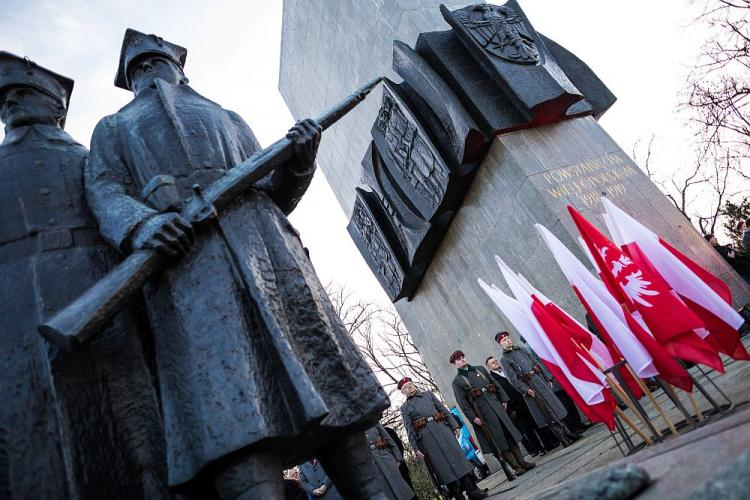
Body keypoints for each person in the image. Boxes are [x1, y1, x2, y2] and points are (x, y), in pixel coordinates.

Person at [85, 29, 389, 498]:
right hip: (185, 269)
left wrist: (299, 164)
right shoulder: (111, 128)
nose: (148, 72)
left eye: (154, 62)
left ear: (180, 67)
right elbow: (106, 189)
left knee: (329, 389)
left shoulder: (226, 117)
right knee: (229, 407)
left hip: (269, 255)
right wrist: (142, 226)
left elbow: (274, 195)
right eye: (137, 68)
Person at [0, 51, 168, 498]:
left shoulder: (98, 159)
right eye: (4, 100)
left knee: (135, 421)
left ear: (56, 105)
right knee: (28, 432)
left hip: (98, 288)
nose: (10, 103)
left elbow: (128, 213)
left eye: (22, 94)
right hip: (11, 307)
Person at [398, 377, 487, 499]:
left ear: (413, 384)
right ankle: (458, 496)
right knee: (444, 469)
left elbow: (444, 411)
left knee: (460, 460)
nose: (408, 387)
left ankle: (473, 491)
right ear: (403, 392)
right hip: (428, 440)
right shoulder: (405, 408)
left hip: (444, 431)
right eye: (404, 387)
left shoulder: (428, 394)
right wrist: (415, 448)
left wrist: (455, 426)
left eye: (409, 384)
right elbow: (409, 429)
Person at [450, 350, 535, 477]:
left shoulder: (479, 369)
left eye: (463, 357)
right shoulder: (457, 381)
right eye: (458, 359)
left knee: (509, 434)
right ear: (454, 363)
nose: (462, 360)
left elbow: (495, 384)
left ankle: (522, 462)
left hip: (496, 405)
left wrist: (504, 399)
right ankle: (516, 467)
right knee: (500, 441)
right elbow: (463, 403)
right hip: (483, 413)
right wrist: (473, 417)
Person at [496, 333, 581, 447]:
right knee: (545, 412)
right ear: (500, 344)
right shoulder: (504, 359)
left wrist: (547, 378)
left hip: (539, 380)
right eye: (504, 340)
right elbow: (513, 379)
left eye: (508, 338)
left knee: (554, 407)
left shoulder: (520, 350)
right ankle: (563, 438)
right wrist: (525, 389)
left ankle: (568, 432)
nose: (508, 341)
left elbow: (536, 363)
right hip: (530, 387)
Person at [485, 356, 552, 456]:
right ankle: (538, 449)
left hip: (524, 401)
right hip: (514, 408)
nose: (496, 363)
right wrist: (510, 410)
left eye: (495, 361)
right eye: (493, 363)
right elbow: (499, 396)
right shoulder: (492, 380)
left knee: (536, 423)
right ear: (489, 367)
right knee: (527, 430)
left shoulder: (506, 371)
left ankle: (548, 444)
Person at [364, 424, 415, 500]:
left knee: (403, 491)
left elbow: (389, 440)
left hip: (387, 459)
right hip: (371, 466)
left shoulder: (373, 421)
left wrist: (398, 460)